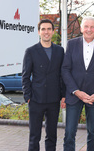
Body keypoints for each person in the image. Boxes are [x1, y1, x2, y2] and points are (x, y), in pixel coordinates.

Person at [62, 16, 94, 151]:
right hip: (74, 95)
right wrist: (76, 91)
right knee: (70, 132)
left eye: (92, 27)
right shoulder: (71, 44)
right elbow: (65, 69)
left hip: (93, 97)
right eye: (86, 26)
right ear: (82, 28)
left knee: (93, 132)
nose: (89, 29)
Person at [22, 19, 66, 151]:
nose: (46, 32)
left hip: (54, 99)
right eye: (43, 29)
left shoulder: (59, 51)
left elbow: (62, 75)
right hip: (36, 99)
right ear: (39, 32)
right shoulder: (31, 51)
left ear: (53, 32)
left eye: (48, 29)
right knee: (34, 136)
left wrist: (63, 95)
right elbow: (25, 76)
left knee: (52, 135)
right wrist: (27, 96)